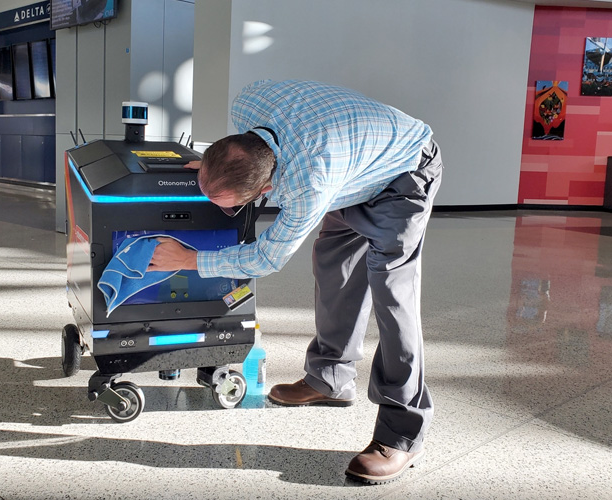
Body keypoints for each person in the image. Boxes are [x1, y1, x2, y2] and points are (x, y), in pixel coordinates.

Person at [148, 79, 443, 484]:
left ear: (267, 188)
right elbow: (241, 160)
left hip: (403, 171)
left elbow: (267, 257)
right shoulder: (247, 105)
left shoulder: (308, 185)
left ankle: (403, 434)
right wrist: (214, 176)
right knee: (333, 269)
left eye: (231, 204)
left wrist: (189, 260)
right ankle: (330, 380)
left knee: (394, 298)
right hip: (350, 165)